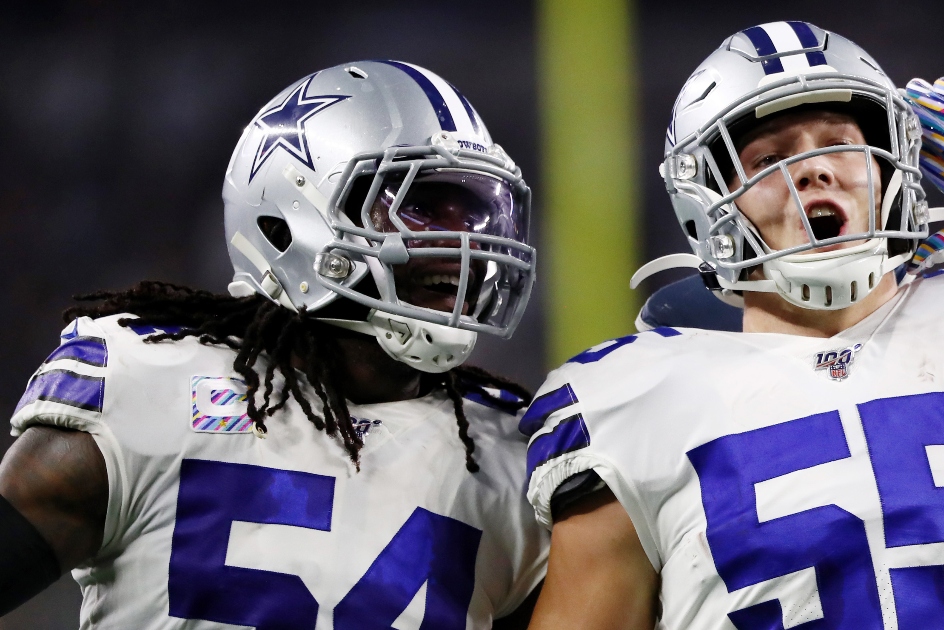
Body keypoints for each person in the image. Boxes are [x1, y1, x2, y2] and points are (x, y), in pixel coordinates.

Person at [522, 21, 944, 630]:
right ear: (708, 206)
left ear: (891, 170)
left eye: (841, 144)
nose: (815, 167)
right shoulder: (632, 401)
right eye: (768, 158)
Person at [0, 60, 546, 629]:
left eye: (478, 213)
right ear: (292, 212)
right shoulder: (148, 382)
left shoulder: (507, 454)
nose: (463, 241)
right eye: (424, 206)